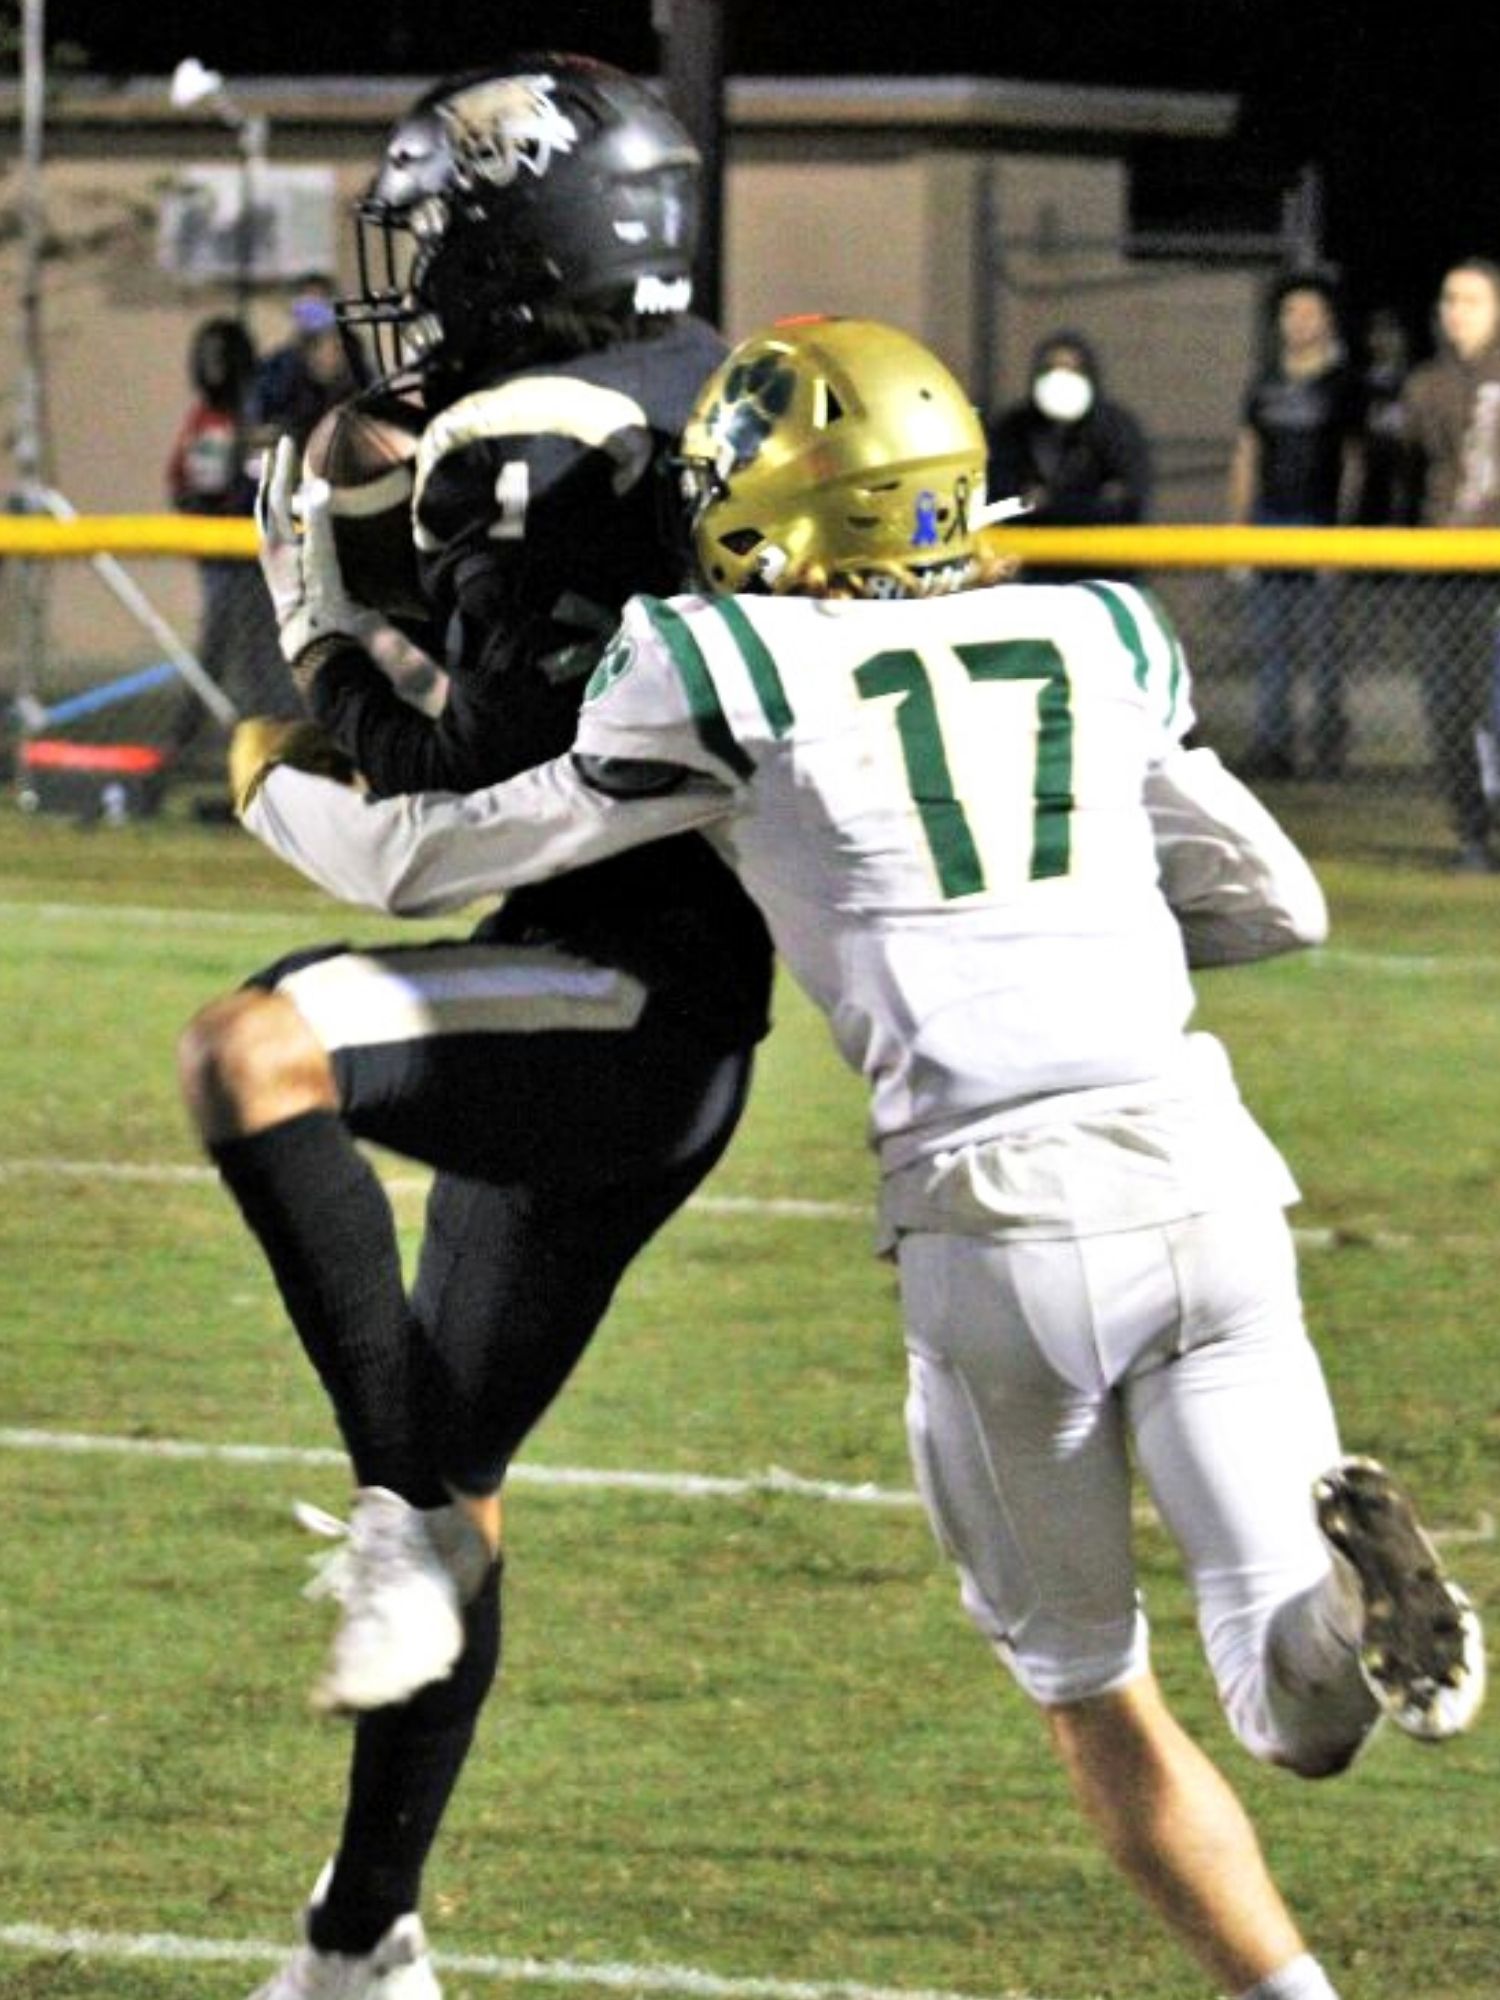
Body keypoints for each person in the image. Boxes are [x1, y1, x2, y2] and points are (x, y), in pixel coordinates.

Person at [240, 313, 1486, 2000]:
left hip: (999, 1220)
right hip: (1208, 1181)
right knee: (1292, 1707)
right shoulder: (1101, 635)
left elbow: (420, 855)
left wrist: (278, 758)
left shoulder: (719, 663)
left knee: (1092, 1690)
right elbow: (1283, 902)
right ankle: (1352, 1618)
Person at [175, 56, 773, 2000]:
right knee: (463, 1470)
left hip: (612, 997)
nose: (413, 280)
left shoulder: (539, 432)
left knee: (259, 1054)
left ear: (538, 240)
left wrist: (309, 664)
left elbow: (435, 812)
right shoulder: (703, 395)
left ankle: (385, 1526)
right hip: (651, 1007)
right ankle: (364, 1947)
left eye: (440, 236)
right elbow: (537, 753)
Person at [1226, 272, 1365, 781]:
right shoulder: (1263, 383)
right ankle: (1271, 746)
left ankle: (1327, 746)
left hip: (1320, 524)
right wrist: (1237, 532)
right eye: (1291, 312)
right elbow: (1247, 454)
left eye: (1310, 311)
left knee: (1324, 646)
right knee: (1271, 645)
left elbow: (1355, 461)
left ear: (1327, 320)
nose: (1299, 321)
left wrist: (1343, 536)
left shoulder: (1345, 384)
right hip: (1270, 523)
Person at [162, 316, 302, 769]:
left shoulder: (257, 409)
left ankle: (274, 748)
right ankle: (187, 747)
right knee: (220, 651)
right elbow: (183, 480)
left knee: (260, 656)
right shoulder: (204, 419)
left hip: (257, 553)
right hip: (220, 556)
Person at [1399, 254, 1500, 871]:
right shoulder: (1425, 385)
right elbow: (1405, 475)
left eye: (1470, 300)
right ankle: (1471, 832)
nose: (1454, 312)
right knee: (1448, 705)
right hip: (1443, 566)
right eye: (1447, 300)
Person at [982, 327, 1152, 579]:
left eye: (1072, 369)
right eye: (1051, 369)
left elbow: (1123, 503)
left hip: (1105, 572)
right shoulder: (1012, 430)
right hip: (1032, 574)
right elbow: (1001, 500)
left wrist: (1048, 503)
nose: (1061, 379)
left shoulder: (1116, 430)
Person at [249, 272, 370, 449]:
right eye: (307, 308)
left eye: (320, 305)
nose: (314, 315)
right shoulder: (280, 365)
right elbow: (259, 417)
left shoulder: (353, 357)